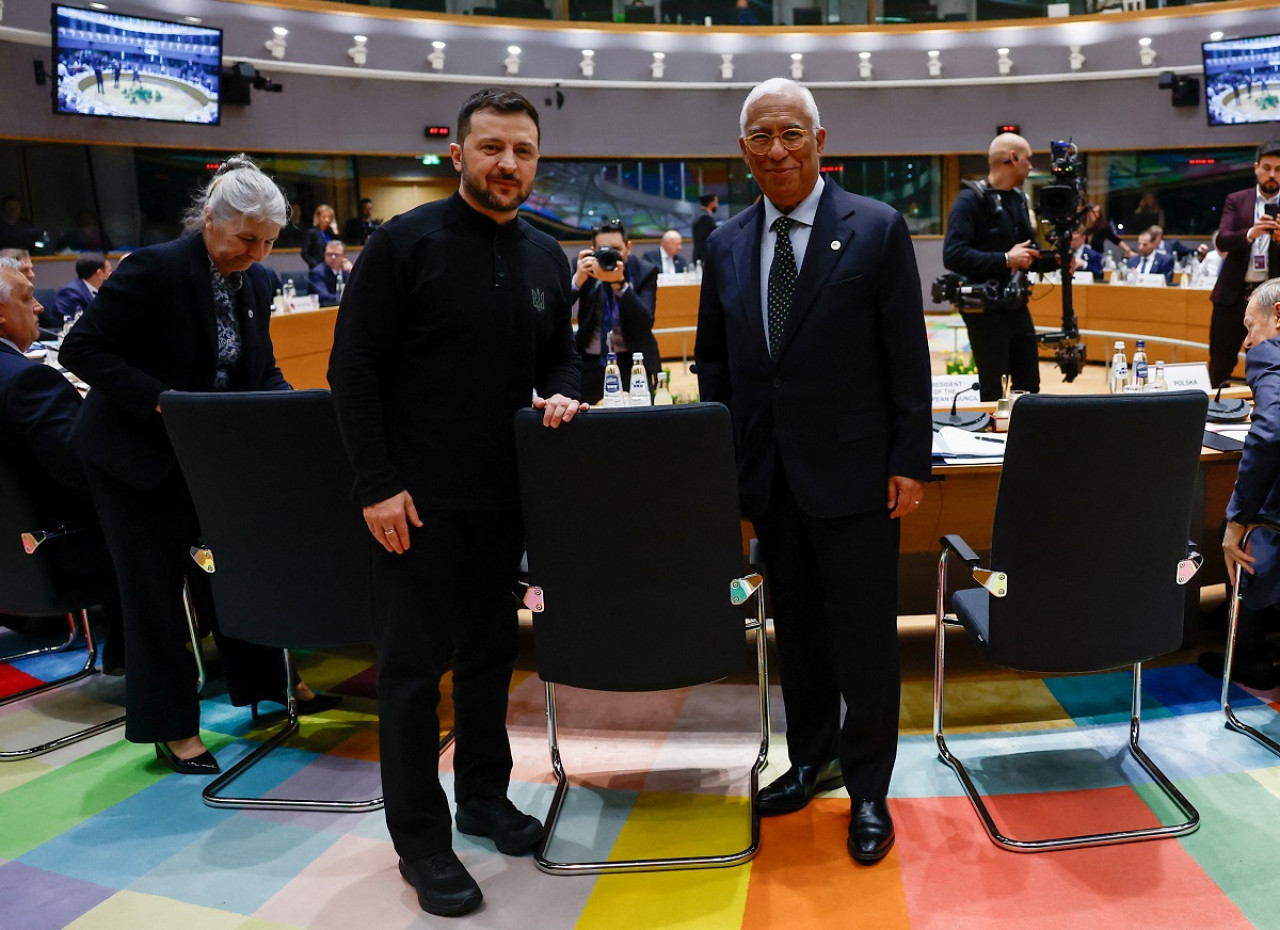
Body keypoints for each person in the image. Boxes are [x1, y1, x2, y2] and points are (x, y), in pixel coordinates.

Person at [328, 88, 584, 918]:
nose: (506, 164)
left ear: (536, 163)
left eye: (522, 151)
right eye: (490, 148)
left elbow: (567, 359)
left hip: (504, 501)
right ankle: (420, 840)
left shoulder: (548, 256)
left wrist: (567, 397)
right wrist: (376, 486)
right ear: (459, 155)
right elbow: (353, 369)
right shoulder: (403, 245)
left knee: (485, 662)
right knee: (409, 677)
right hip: (413, 504)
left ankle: (482, 796)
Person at [694, 78, 931, 866]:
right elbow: (716, 365)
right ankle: (809, 760)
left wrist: (908, 458)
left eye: (791, 134)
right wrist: (731, 469)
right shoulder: (724, 242)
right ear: (743, 151)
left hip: (859, 476)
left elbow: (907, 357)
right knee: (796, 633)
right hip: (770, 478)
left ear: (821, 142)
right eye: (761, 136)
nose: (777, 150)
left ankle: (867, 788)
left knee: (863, 638)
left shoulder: (877, 228)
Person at [59, 154, 335, 777]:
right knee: (155, 592)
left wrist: (294, 410)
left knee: (240, 570)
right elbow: (83, 349)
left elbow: (257, 370)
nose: (257, 254)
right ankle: (172, 727)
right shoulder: (153, 270)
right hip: (130, 458)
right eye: (245, 239)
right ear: (210, 220)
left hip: (205, 456)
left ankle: (270, 688)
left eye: (268, 242)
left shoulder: (257, 283)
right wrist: (162, 402)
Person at [0, 261, 124, 672]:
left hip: (13, 555)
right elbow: (84, 475)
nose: (38, 306)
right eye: (26, 298)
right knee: (159, 506)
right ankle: (154, 654)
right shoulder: (28, 381)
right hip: (57, 552)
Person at [942, 132, 1058, 401]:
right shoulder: (969, 200)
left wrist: (1056, 260)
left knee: (1029, 384)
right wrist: (1006, 259)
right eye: (1028, 160)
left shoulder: (1018, 200)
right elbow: (953, 255)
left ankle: (1023, 436)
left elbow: (1024, 252)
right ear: (1013, 158)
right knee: (991, 388)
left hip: (1015, 303)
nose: (1030, 167)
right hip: (984, 307)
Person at [1214, 278, 1280, 688]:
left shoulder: (1271, 354)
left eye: (1249, 326)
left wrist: (1236, 519)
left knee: (1244, 536)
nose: (1246, 341)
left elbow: (1272, 430)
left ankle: (1247, 659)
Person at [1209, 139, 1280, 388]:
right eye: (1267, 167)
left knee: (1269, 364)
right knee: (1220, 362)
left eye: (1279, 170)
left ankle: (1265, 417)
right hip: (1232, 296)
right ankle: (1216, 417)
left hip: (1272, 302)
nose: (1272, 175)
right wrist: (1251, 232)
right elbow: (1223, 240)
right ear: (1256, 167)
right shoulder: (1236, 200)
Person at [572, 217, 659, 403]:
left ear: (628, 247)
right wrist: (576, 282)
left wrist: (620, 285)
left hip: (632, 358)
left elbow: (646, 321)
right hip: (590, 358)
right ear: (593, 250)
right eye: (605, 250)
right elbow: (556, 310)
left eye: (617, 250)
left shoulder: (645, 271)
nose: (612, 256)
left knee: (641, 420)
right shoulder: (583, 267)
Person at [48, 252, 111, 330]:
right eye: (110, 271)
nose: (111, 274)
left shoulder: (103, 292)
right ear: (99, 273)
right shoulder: (69, 293)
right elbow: (70, 324)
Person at [307, 240, 352, 305]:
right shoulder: (317, 273)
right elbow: (324, 297)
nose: (333, 257)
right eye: (329, 254)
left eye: (336, 254)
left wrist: (352, 271)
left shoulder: (346, 271)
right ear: (324, 255)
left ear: (344, 256)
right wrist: (348, 300)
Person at [301, 204, 340, 269]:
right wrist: (316, 265)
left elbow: (339, 249)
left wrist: (336, 232)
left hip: (331, 268)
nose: (327, 220)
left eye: (329, 217)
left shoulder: (331, 233)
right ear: (318, 218)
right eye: (324, 217)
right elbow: (304, 253)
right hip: (317, 268)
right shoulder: (312, 232)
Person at [692, 193, 719, 266]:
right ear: (710, 203)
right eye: (716, 202)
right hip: (704, 258)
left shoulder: (699, 215)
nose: (717, 205)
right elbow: (702, 240)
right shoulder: (704, 218)